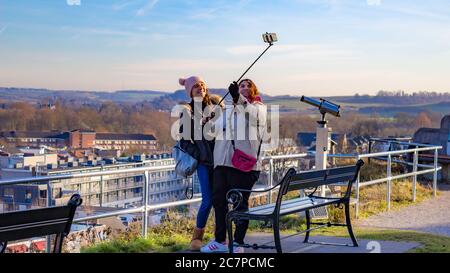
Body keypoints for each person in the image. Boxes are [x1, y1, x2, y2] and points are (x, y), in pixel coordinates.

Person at [201, 79, 267, 253]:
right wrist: (207, 123)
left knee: (239, 203)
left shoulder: (259, 108)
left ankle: (238, 242)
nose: (243, 88)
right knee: (219, 202)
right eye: (241, 86)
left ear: (253, 90)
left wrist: (238, 98)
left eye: (247, 86)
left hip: (243, 165)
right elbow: (216, 130)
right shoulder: (229, 110)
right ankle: (220, 240)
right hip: (222, 163)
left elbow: (250, 115)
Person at [178, 76, 223, 251]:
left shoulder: (216, 106)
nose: (200, 88)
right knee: (208, 200)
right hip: (204, 163)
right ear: (190, 91)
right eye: (196, 86)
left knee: (221, 200)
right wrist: (200, 154)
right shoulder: (188, 111)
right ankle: (197, 237)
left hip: (221, 161)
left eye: (202, 85)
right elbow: (184, 142)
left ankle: (220, 237)